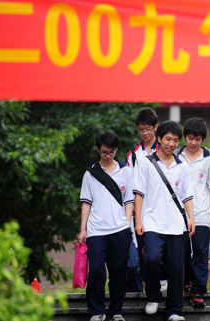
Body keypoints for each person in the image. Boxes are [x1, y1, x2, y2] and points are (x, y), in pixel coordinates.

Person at [134, 120, 195, 321]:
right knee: (151, 259)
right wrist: (138, 220)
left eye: (176, 140)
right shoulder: (144, 163)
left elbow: (187, 196)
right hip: (152, 222)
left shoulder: (182, 166)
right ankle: (153, 295)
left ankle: (174, 310)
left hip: (177, 225)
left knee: (177, 268)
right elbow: (139, 193)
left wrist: (191, 218)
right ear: (159, 138)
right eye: (168, 139)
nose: (171, 143)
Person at [78, 132, 133, 321]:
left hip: (120, 229)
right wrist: (82, 229)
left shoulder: (125, 171)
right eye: (103, 152)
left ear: (116, 150)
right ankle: (96, 311)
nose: (107, 155)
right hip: (96, 230)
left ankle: (116, 311)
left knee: (118, 271)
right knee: (96, 270)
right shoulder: (90, 173)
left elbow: (129, 200)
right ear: (98, 150)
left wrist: (127, 222)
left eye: (110, 152)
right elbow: (86, 202)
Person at [176, 117, 210, 307]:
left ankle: (198, 291)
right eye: (190, 138)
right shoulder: (176, 155)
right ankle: (181, 285)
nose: (193, 143)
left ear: (202, 139)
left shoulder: (209, 157)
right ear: (184, 137)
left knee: (201, 254)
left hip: (202, 213)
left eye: (197, 139)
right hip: (179, 215)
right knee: (181, 252)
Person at [125, 107, 161, 292]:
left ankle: (159, 283)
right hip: (139, 209)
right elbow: (130, 183)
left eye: (148, 129)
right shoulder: (134, 154)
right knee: (140, 253)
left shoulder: (165, 150)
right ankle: (143, 288)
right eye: (141, 130)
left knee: (158, 251)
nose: (145, 133)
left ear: (155, 127)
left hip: (161, 207)